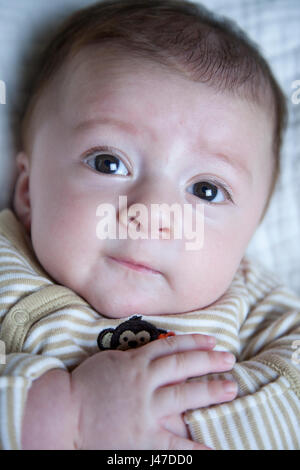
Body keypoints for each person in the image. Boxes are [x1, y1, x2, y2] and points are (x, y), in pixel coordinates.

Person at [0, 0, 299, 450]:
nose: (153, 213)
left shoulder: (259, 309)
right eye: (108, 162)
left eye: (206, 191)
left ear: (248, 234)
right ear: (28, 192)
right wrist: (68, 412)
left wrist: (180, 425)